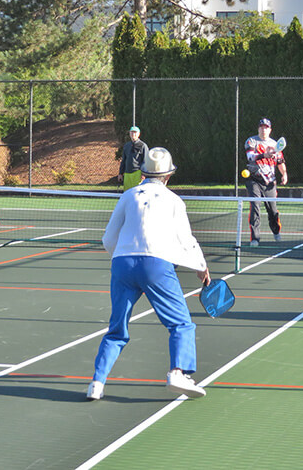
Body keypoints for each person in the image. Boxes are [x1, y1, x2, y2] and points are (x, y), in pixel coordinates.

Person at [88, 147, 211, 400]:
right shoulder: (174, 201)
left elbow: (108, 238)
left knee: (116, 330)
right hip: (156, 265)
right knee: (181, 324)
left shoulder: (129, 196)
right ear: (168, 175)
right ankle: (177, 373)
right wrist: (201, 267)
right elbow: (186, 239)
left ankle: (96, 384)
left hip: (122, 264)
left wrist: (124, 259)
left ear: (144, 172)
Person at [244, 118, 287, 246]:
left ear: (270, 130)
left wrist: (284, 174)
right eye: (261, 127)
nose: (264, 129)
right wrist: (264, 155)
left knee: (273, 211)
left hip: (270, 183)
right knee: (255, 207)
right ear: (258, 129)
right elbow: (250, 157)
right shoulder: (251, 141)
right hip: (254, 180)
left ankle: (276, 232)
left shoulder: (275, 144)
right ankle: (255, 239)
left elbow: (280, 162)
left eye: (266, 127)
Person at [118, 126, 148, 190]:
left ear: (139, 134)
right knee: (127, 194)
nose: (133, 134)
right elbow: (123, 160)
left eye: (135, 132)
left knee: (137, 194)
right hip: (127, 174)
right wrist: (120, 173)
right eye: (131, 132)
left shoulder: (143, 145)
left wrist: (143, 174)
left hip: (138, 173)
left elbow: (146, 161)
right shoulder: (126, 146)